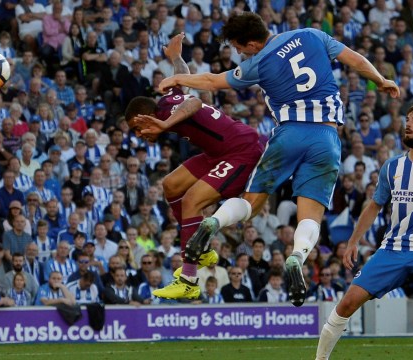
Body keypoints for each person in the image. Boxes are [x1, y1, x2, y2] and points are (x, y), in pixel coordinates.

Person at [157, 13, 400, 306]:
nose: (238, 53)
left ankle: (213, 222)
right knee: (311, 216)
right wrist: (381, 79)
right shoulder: (312, 35)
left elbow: (210, 81)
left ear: (252, 43)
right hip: (326, 139)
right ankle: (297, 256)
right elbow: (357, 60)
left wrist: (177, 77)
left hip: (289, 135)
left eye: (238, 47)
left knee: (251, 203)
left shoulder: (257, 63)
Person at [315, 104, 413, 360]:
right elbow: (374, 206)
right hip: (392, 249)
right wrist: (353, 241)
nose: (407, 124)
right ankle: (320, 359)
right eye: (407, 119)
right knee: (348, 303)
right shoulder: (392, 167)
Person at [127, 33, 263, 300]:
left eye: (137, 128)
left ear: (147, 116)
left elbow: (195, 101)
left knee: (190, 201)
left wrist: (165, 125)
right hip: (217, 153)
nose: (139, 134)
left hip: (241, 151)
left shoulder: (167, 114)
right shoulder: (166, 101)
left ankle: (188, 279)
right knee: (170, 185)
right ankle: (201, 251)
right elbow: (182, 79)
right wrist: (176, 58)